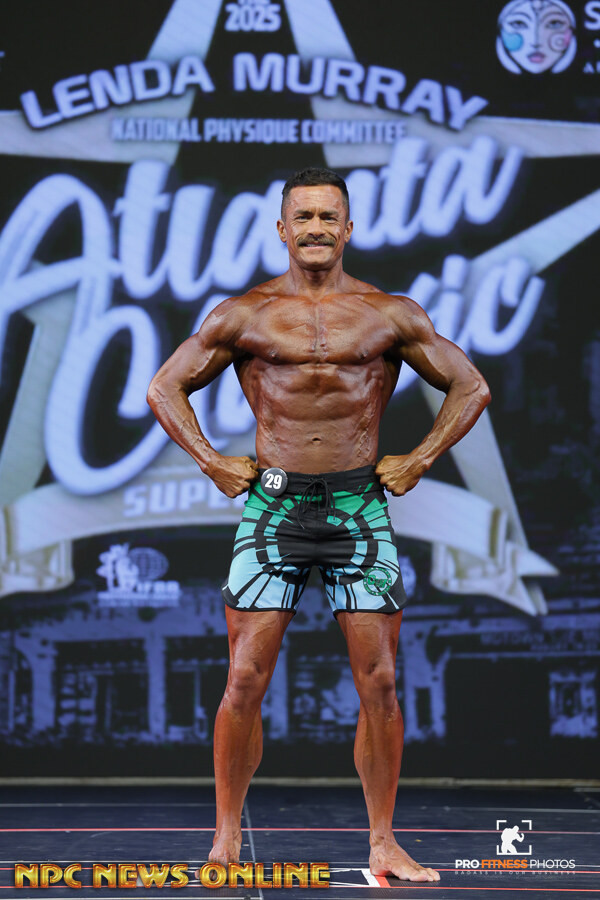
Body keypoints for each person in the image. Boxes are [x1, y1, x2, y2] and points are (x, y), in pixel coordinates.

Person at [147, 167, 491, 883]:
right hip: (273, 508)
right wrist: (211, 461)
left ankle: (383, 842)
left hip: (357, 508)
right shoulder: (244, 314)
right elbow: (165, 386)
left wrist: (421, 458)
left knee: (381, 681)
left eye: (328, 217)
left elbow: (471, 385)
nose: (315, 229)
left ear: (348, 228)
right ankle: (225, 837)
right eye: (303, 217)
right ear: (282, 229)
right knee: (245, 677)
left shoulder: (389, 314)